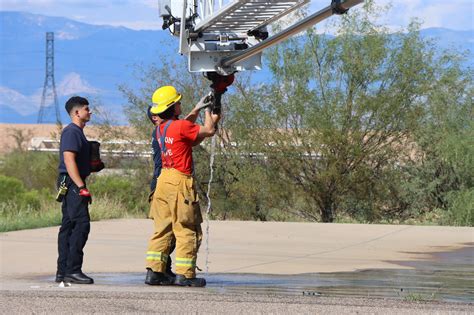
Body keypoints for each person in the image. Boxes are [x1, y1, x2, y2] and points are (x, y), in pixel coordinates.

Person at [145, 86, 218, 287]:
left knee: (162, 229)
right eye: (177, 102)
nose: (180, 104)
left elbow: (187, 132)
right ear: (172, 107)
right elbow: (209, 131)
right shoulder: (180, 127)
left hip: (163, 181)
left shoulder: (162, 128)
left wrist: (195, 109)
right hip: (179, 181)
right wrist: (208, 111)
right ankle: (185, 274)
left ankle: (154, 272)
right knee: (186, 228)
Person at [55, 96, 94, 284]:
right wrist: (81, 187)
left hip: (70, 182)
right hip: (72, 183)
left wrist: (93, 165)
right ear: (77, 112)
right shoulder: (72, 132)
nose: (90, 111)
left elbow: (76, 161)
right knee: (81, 224)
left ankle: (63, 271)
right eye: (87, 109)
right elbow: (69, 161)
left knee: (69, 227)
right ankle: (72, 270)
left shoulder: (77, 133)